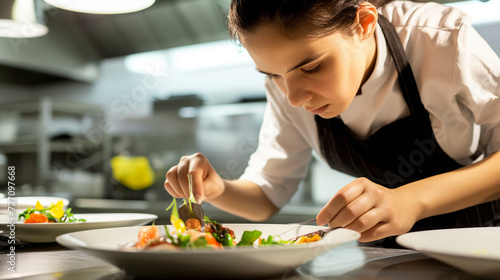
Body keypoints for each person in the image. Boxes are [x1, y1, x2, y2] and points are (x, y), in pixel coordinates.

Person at [164, 0, 500, 246]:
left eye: (310, 68)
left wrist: (412, 200)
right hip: (389, 257)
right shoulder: (286, 89)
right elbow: (266, 195)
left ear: (364, 23)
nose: (293, 98)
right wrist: (218, 188)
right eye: (273, 75)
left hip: (479, 245)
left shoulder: (440, 40)